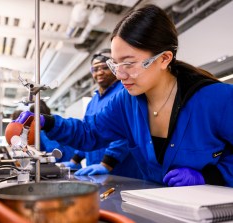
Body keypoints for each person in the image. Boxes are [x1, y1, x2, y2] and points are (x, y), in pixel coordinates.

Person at [14, 4, 233, 187]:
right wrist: (47, 122)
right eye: (116, 64)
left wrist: (210, 176)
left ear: (164, 58)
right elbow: (89, 133)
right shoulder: (126, 102)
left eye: (128, 63)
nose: (120, 74)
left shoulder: (215, 99)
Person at [62, 49, 142, 178]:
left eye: (105, 68)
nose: (99, 72)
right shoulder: (93, 101)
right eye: (95, 69)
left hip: (122, 170)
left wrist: (107, 164)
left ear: (114, 68)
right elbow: (89, 132)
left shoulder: (124, 92)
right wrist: (75, 160)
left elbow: (126, 132)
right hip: (95, 170)